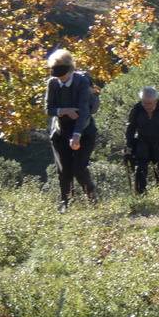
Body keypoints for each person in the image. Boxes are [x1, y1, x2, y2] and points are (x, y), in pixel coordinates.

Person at [44, 48, 98, 212]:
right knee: (64, 169)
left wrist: (76, 136)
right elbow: (48, 109)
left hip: (84, 130)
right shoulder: (52, 83)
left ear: (70, 70)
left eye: (63, 76)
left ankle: (92, 198)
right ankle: (65, 203)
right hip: (60, 132)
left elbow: (84, 111)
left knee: (79, 168)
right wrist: (65, 111)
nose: (60, 79)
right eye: (57, 76)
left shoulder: (82, 82)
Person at [124, 87, 159, 194]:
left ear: (156, 101)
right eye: (144, 103)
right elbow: (130, 128)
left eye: (150, 103)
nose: (147, 106)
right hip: (142, 140)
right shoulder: (137, 109)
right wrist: (128, 145)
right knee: (140, 167)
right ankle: (141, 194)